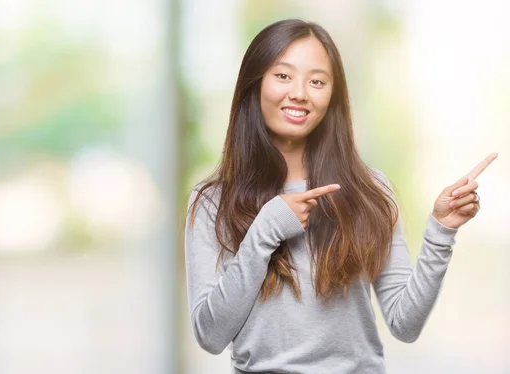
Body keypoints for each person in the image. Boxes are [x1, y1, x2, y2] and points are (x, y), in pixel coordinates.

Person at [183, 19, 497, 373]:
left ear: (333, 96)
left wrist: (442, 229)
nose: (300, 93)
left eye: (317, 81)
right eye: (283, 76)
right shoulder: (212, 201)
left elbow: (404, 325)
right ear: (254, 84)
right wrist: (265, 229)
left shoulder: (369, 190)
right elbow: (210, 336)